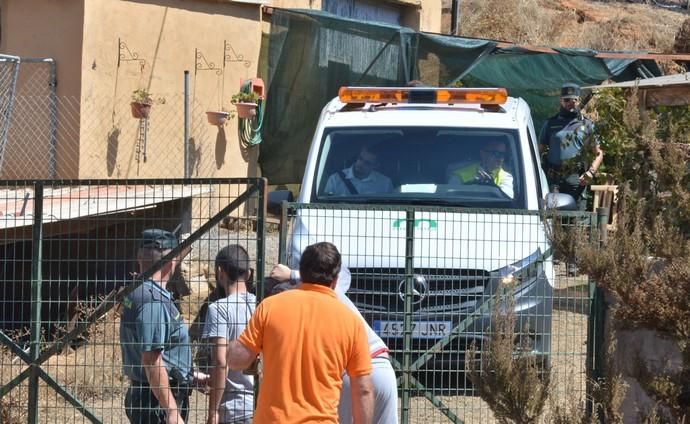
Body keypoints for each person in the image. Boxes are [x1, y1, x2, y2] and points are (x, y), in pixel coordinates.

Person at [225, 242, 374, 423]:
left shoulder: (270, 307)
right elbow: (363, 390)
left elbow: (237, 360)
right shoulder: (351, 322)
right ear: (335, 280)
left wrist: (230, 347)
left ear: (301, 273)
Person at [269, 263, 398, 424]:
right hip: (383, 368)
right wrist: (292, 275)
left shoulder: (300, 316)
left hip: (353, 375)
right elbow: (342, 275)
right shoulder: (330, 293)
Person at [119, 228, 207, 424]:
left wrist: (189, 375)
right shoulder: (153, 301)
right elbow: (151, 360)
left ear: (139, 257)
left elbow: (162, 351)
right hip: (156, 404)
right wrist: (172, 411)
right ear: (171, 261)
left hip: (153, 396)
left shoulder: (139, 291)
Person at [202, 245, 256, 424]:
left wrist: (213, 412)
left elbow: (220, 361)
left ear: (219, 272)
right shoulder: (263, 306)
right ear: (248, 274)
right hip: (260, 405)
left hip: (234, 409)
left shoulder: (218, 309)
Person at [539, 82, 604, 210]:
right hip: (554, 178)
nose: (570, 103)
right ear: (561, 101)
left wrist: (590, 172)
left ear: (579, 101)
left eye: (574, 100)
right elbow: (538, 152)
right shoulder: (550, 124)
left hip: (576, 179)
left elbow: (599, 153)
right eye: (567, 100)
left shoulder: (587, 124)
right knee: (553, 218)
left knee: (576, 220)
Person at [447, 139, 514, 198]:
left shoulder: (506, 177)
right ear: (483, 154)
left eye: (503, 154)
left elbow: (507, 199)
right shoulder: (460, 175)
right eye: (496, 153)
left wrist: (493, 187)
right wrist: (469, 187)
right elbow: (450, 197)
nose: (500, 158)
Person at [324, 145, 393, 196]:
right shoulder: (335, 179)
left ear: (376, 166)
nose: (361, 164)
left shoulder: (385, 184)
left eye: (367, 163)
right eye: (360, 158)